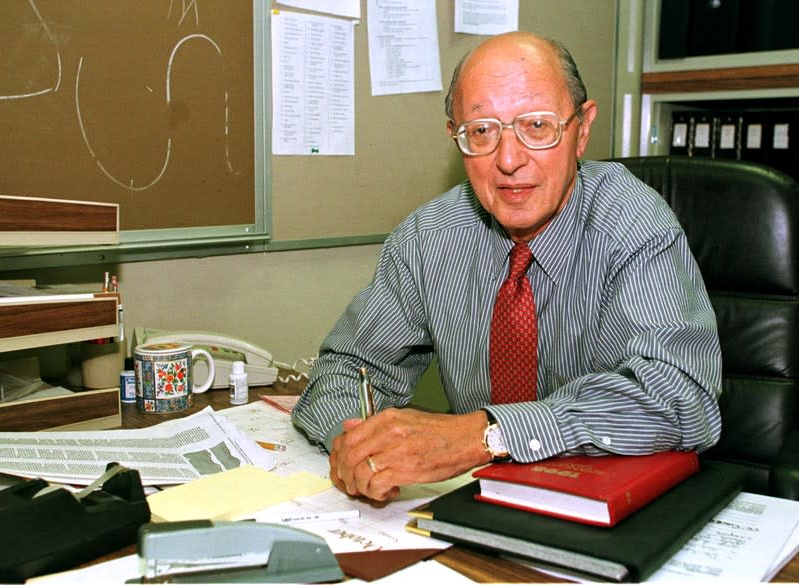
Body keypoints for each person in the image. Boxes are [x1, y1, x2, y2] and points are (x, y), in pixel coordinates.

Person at [291, 31, 722, 502]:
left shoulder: (632, 221)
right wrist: (359, 447)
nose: (509, 160)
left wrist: (487, 435)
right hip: (478, 511)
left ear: (582, 130)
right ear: (457, 137)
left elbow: (682, 397)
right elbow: (348, 366)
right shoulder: (427, 238)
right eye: (482, 131)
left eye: (537, 126)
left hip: (606, 512)